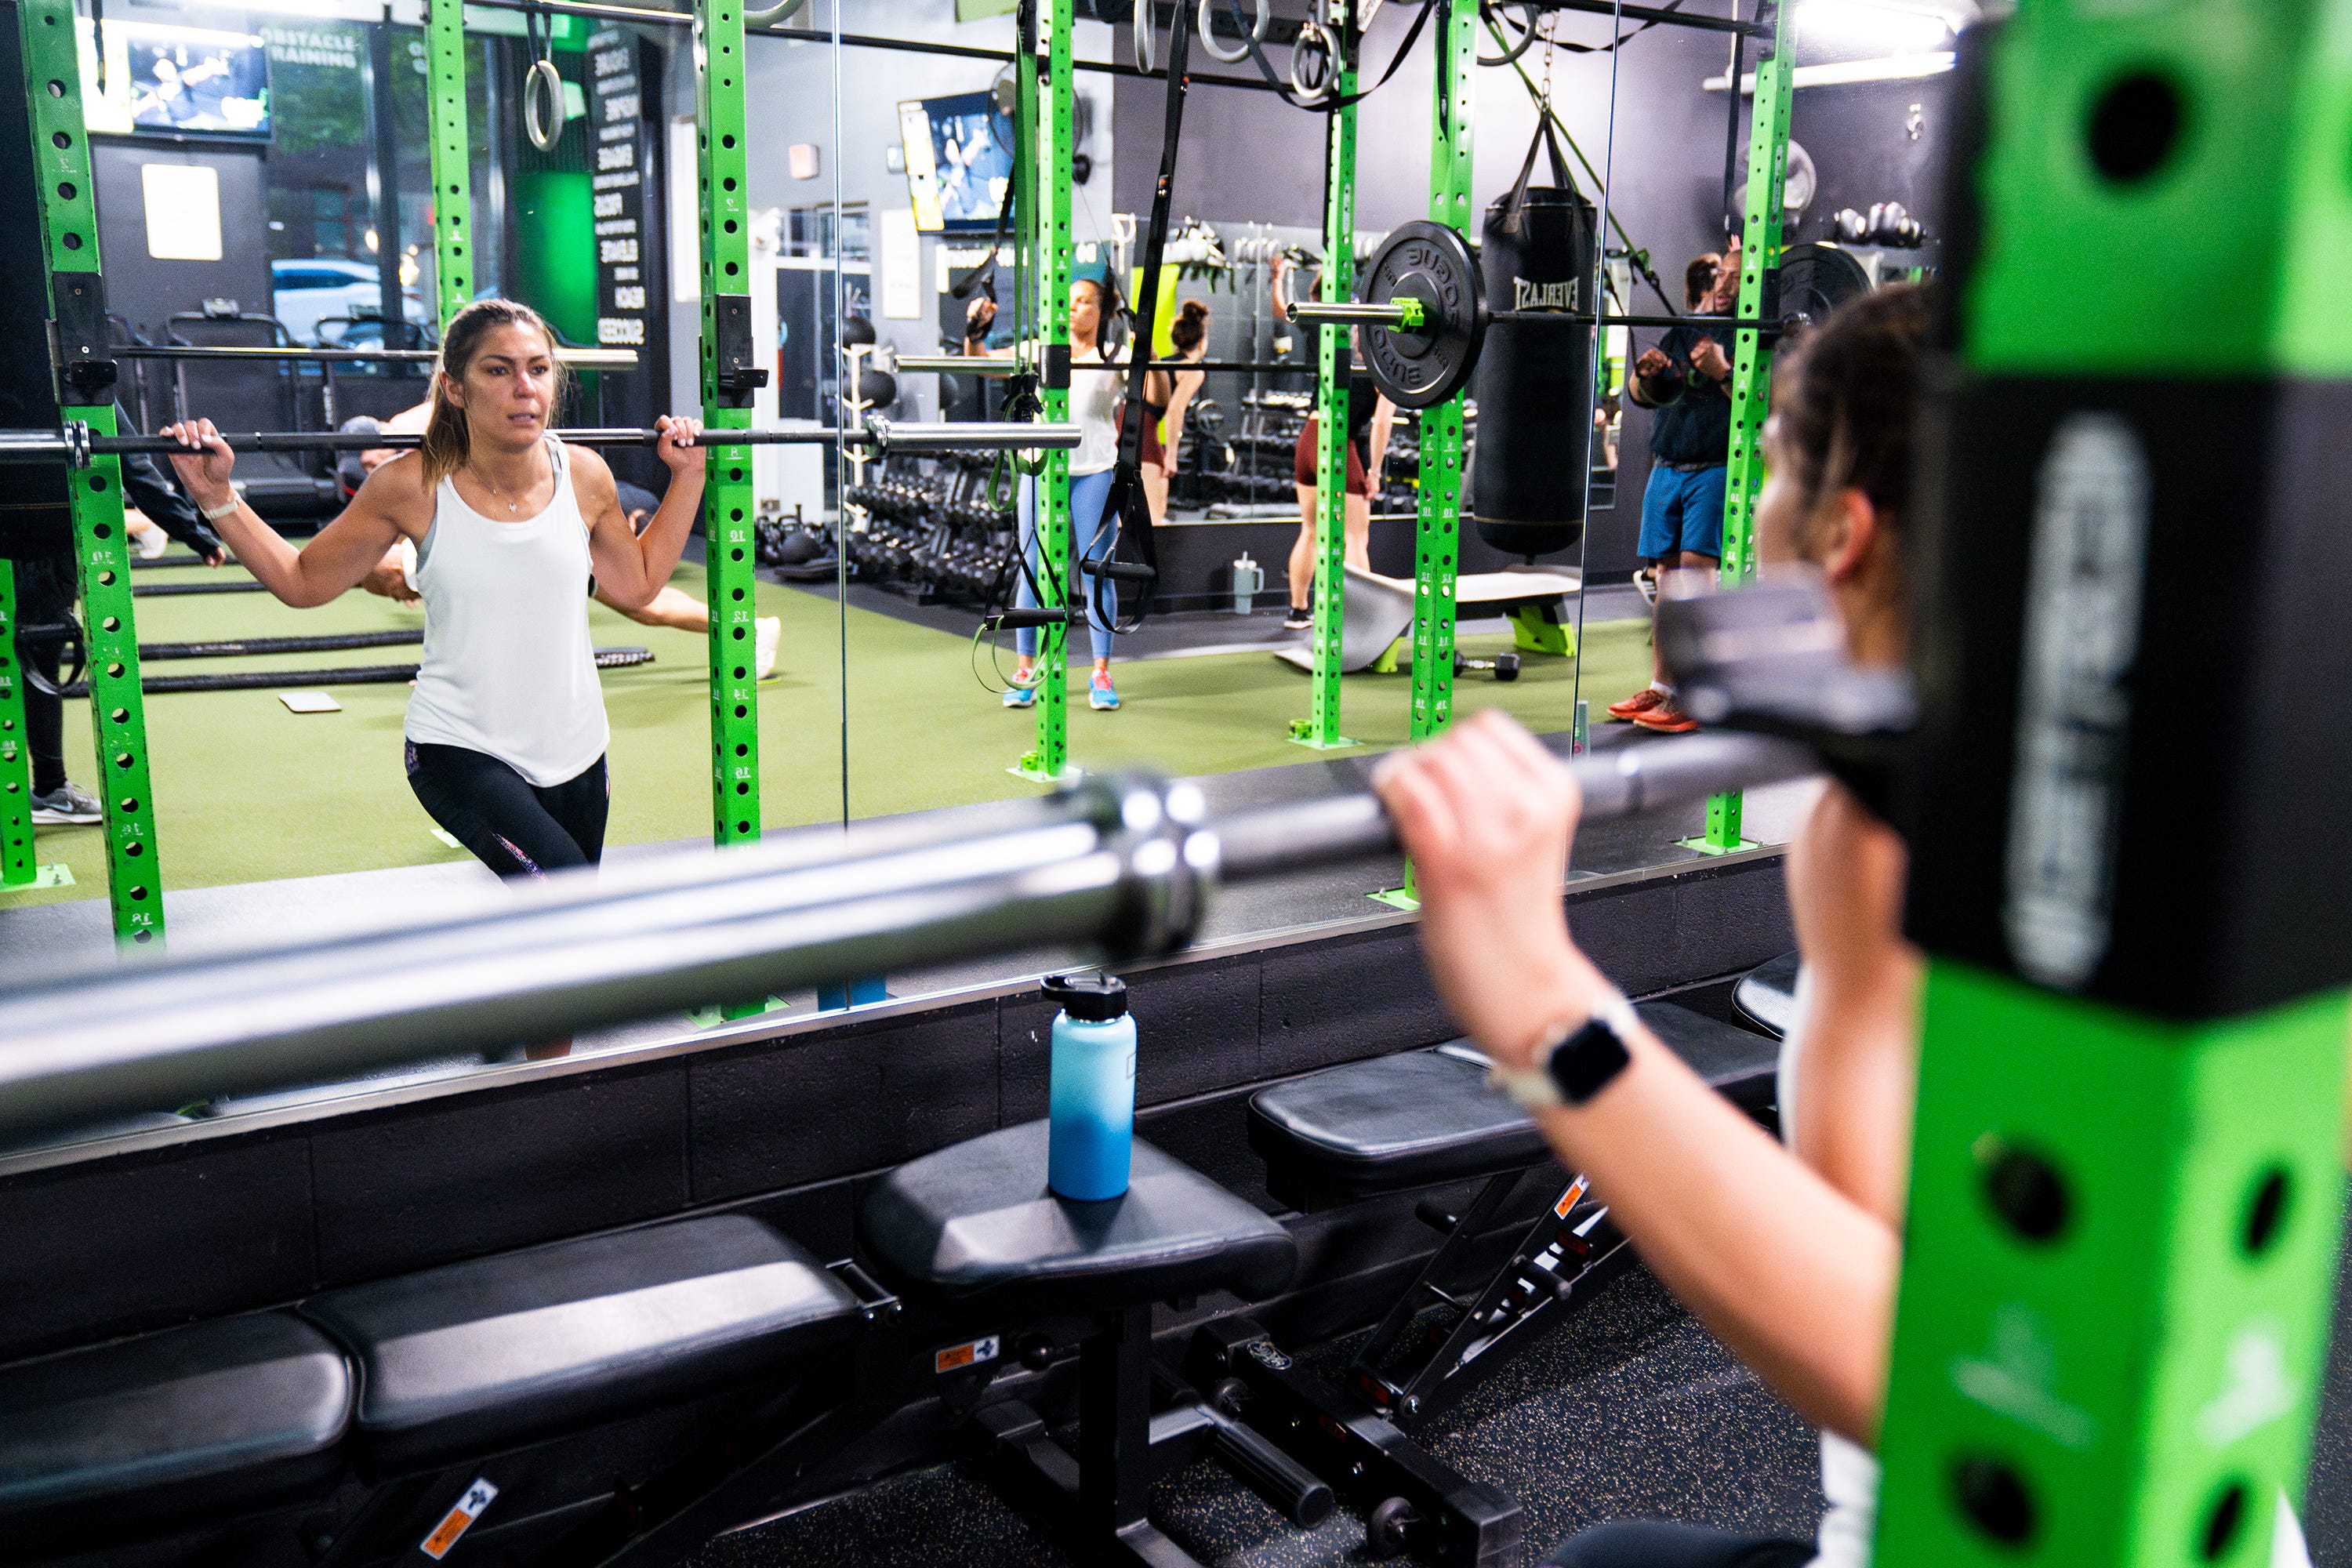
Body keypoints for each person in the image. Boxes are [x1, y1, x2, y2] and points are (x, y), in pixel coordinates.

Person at [1377, 283, 2312, 1568]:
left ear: (1849, 531)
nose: (1755, 513)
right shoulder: (2126, 786)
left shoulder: (1895, 852)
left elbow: (1923, 1364)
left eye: (1769, 471)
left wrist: (1542, 1005)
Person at [164, 296, 706, 884]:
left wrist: (689, 475)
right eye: (499, 370)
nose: (525, 388)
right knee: (572, 904)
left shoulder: (584, 475)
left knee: (558, 938)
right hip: (462, 749)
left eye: (539, 368)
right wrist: (217, 497)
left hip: (578, 749)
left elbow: (640, 584)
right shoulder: (410, 486)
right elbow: (302, 582)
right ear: (454, 387)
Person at [353, 402, 779, 680]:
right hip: (529, 526)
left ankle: (748, 630)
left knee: (637, 594)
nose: (369, 469)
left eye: (393, 588)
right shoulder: (406, 448)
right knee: (636, 602)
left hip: (546, 515)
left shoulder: (412, 434)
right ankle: (746, 631)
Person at [16, 402, 227, 828]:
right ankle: (51, 789)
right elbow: (130, 463)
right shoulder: (72, 365)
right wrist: (196, 533)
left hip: (36, 536)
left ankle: (50, 790)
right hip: (40, 540)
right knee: (36, 663)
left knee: (32, 664)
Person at [965, 275, 1127, 712]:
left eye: (1083, 301)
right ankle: (1025, 670)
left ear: (1102, 311)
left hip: (1094, 471)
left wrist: (1141, 338)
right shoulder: (1038, 350)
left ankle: (1101, 673)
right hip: (1040, 469)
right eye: (1068, 300)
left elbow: (1161, 394)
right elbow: (981, 363)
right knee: (1032, 568)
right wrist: (975, 331)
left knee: (1095, 571)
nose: (1073, 307)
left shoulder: (1116, 356)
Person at [1610, 240, 1742, 734]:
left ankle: (1696, 692)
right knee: (1665, 577)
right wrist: (1645, 378)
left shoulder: (1753, 336)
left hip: (1712, 467)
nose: (1727, 285)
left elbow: (1765, 403)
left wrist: (1722, 371)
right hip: (1667, 465)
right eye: (1723, 275)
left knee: (1694, 576)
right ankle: (1664, 687)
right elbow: (1644, 395)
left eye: (1738, 276)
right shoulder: (1684, 329)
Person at [1272, 252, 1395, 633]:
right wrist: (1374, 472)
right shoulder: (1380, 360)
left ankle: (1297, 611)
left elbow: (1283, 310)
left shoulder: (1326, 336)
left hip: (1308, 438)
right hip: (1340, 442)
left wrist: (1277, 278)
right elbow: (1382, 422)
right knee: (1356, 536)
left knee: (1311, 530)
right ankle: (1362, 622)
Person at [1138, 299, 1210, 528]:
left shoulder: (1167, 363)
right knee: (1154, 515)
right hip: (1143, 432)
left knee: (1132, 513)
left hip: (1128, 427)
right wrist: (1171, 455)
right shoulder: (1193, 369)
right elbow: (1174, 410)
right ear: (1202, 341)